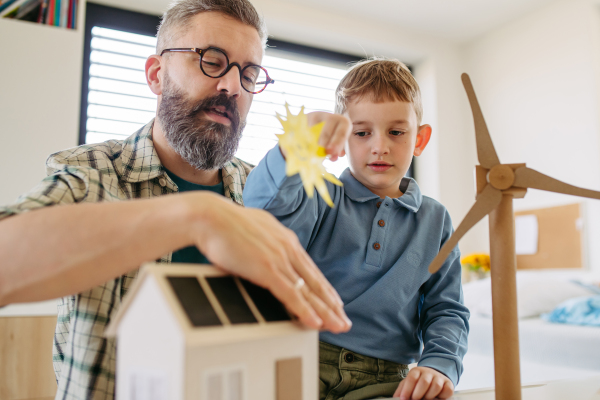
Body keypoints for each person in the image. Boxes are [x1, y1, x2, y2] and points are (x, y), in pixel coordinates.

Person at [0, 1, 353, 398]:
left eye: (249, 74)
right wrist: (196, 217)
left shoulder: (264, 190)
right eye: (212, 61)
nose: (232, 87)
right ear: (156, 74)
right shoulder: (93, 172)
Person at [244, 58, 470, 400]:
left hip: (388, 377)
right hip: (306, 358)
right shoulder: (320, 195)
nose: (380, 146)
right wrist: (297, 145)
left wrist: (439, 364)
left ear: (420, 139)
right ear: (342, 140)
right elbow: (263, 208)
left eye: (396, 132)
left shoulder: (436, 220)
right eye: (362, 133)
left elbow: (446, 308)